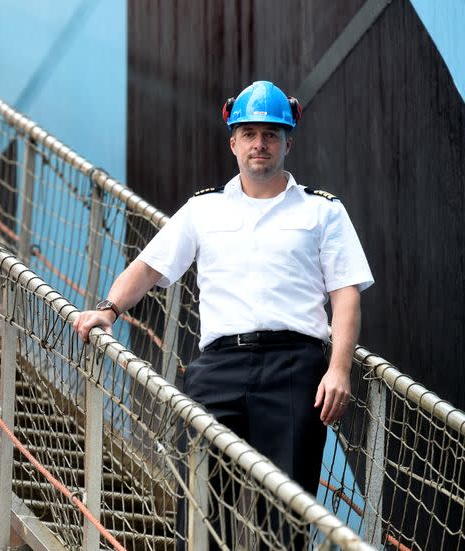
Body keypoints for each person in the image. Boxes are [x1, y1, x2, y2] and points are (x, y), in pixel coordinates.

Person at [73, 80, 373, 548]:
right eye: (249, 134)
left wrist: (339, 369)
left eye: (271, 134)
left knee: (288, 514)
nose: (260, 144)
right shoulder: (203, 209)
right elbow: (149, 266)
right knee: (198, 505)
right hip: (218, 369)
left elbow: (346, 296)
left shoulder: (323, 212)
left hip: (296, 371)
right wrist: (108, 309)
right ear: (233, 141)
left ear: (288, 142)